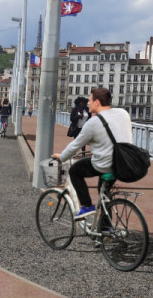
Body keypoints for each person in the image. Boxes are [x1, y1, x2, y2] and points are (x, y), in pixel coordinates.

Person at [52, 87, 132, 219]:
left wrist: (62, 157)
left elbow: (75, 145)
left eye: (90, 100)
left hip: (105, 163)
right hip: (123, 162)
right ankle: (106, 230)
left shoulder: (93, 122)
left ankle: (87, 206)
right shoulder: (123, 113)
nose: (88, 103)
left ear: (97, 102)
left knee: (74, 171)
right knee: (104, 194)